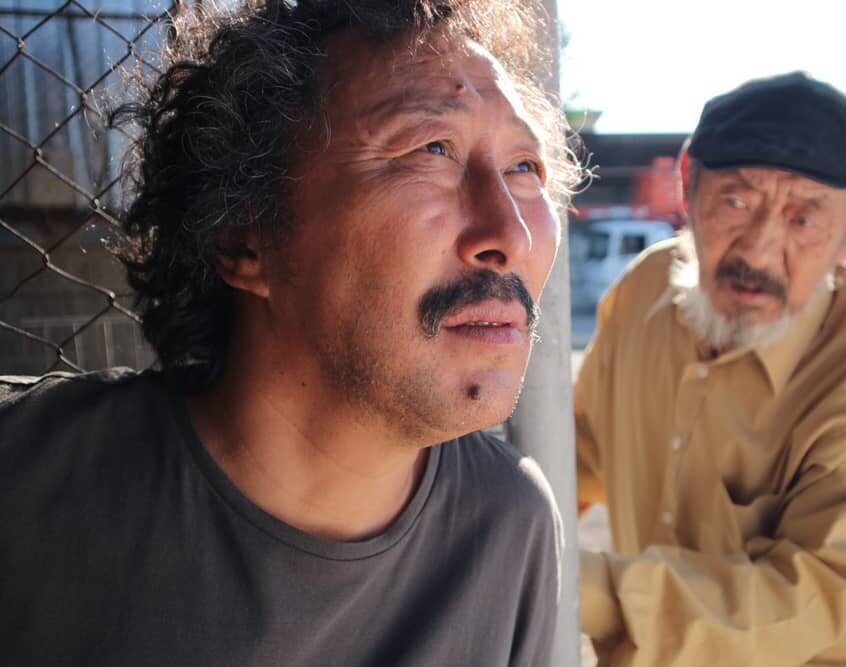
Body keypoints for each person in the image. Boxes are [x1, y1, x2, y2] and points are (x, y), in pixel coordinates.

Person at [0, 1, 580, 665]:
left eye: (524, 168)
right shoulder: (24, 479)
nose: (511, 234)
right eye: (432, 150)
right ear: (244, 235)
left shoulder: (509, 524)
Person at [575, 72, 846, 667]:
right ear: (686, 184)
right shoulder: (644, 289)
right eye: (737, 202)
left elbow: (804, 598)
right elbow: (581, 449)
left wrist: (570, 585)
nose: (759, 251)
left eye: (804, 220)